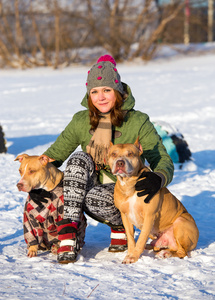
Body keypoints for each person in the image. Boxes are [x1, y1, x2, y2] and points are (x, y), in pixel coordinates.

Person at [43, 55, 174, 263]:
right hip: (94, 185)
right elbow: (53, 155)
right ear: (89, 95)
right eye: (94, 91)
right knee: (77, 159)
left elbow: (160, 157)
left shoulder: (138, 120)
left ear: (118, 91)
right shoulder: (81, 120)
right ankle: (68, 232)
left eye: (106, 90)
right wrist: (33, 176)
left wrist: (159, 177)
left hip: (125, 193)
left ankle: (120, 227)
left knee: (93, 196)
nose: (100, 97)